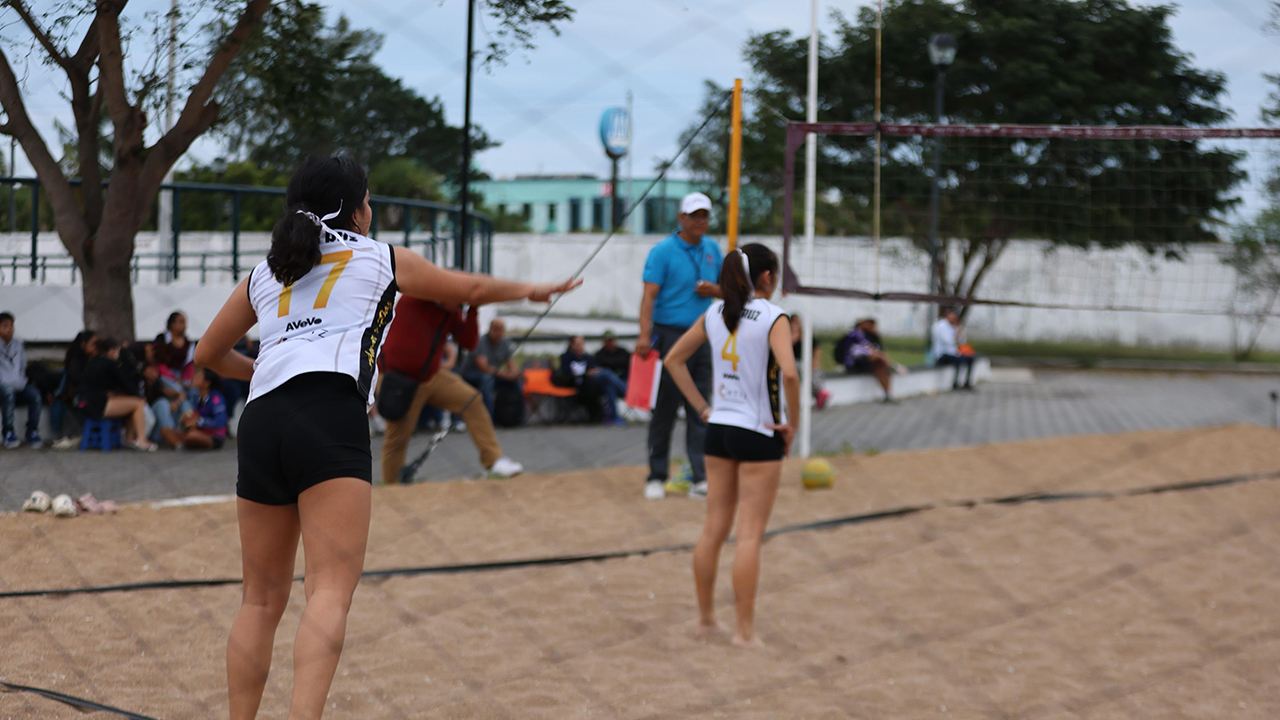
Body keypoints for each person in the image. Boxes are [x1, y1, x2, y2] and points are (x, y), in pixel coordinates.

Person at [193, 155, 579, 720]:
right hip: (329, 412)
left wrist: (266, 370)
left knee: (259, 599)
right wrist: (532, 290)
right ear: (354, 210)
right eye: (368, 199)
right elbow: (470, 287)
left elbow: (206, 353)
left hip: (263, 417)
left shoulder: (264, 272)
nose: (371, 209)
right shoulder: (380, 257)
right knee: (328, 590)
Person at [661, 243, 801, 648]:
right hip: (759, 430)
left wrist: (703, 409)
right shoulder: (773, 316)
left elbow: (672, 360)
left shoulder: (714, 313)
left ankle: (706, 621)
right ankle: (744, 632)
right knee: (749, 535)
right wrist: (792, 424)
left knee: (712, 531)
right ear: (767, 277)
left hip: (719, 428)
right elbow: (790, 374)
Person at [378, 297, 523, 484]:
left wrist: (473, 309)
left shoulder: (452, 310)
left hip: (432, 374)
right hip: (401, 377)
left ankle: (493, 460)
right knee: (397, 437)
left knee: (471, 400)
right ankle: (391, 485)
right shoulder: (416, 297)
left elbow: (468, 342)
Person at [637, 192, 723, 500]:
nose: (700, 221)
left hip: (702, 335)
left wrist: (715, 289)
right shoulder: (663, 251)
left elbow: (728, 290)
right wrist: (644, 336)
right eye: (694, 215)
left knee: (700, 406)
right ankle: (657, 475)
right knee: (665, 408)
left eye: (705, 215)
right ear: (681, 218)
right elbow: (648, 296)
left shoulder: (713, 249)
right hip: (669, 335)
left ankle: (700, 476)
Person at [80, 336, 157, 451]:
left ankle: (129, 440)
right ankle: (141, 441)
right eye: (117, 351)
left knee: (130, 405)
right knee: (137, 403)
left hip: (85, 403)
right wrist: (138, 395)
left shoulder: (94, 361)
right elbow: (125, 383)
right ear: (112, 350)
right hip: (97, 405)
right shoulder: (109, 364)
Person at [460, 318, 523, 420]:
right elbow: (483, 367)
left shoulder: (505, 343)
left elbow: (511, 365)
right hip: (471, 375)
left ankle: (518, 417)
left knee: (516, 381)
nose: (499, 333)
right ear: (490, 329)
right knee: (487, 379)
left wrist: (515, 374)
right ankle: (488, 418)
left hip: (493, 375)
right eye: (496, 329)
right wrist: (506, 375)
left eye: (501, 329)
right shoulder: (481, 341)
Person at [560, 334, 627, 426]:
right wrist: (586, 373)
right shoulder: (566, 358)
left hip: (592, 386)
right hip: (578, 386)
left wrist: (593, 372)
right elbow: (566, 374)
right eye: (578, 344)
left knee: (609, 386)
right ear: (572, 345)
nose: (581, 346)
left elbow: (594, 368)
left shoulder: (587, 357)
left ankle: (614, 417)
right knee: (606, 373)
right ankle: (627, 392)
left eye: (582, 343)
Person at [0, 311, 43, 448]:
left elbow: (22, 366)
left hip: (18, 385)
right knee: (8, 392)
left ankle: (32, 432)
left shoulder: (18, 345)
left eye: (11, 326)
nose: (9, 329)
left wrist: (19, 381)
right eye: (5, 326)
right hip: (2, 387)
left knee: (35, 395)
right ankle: (8, 433)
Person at [160, 367, 228, 450]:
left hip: (213, 435)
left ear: (206, 383)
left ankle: (185, 443)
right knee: (165, 430)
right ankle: (181, 446)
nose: (195, 377)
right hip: (197, 431)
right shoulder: (196, 397)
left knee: (192, 436)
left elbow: (220, 422)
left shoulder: (216, 399)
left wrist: (199, 422)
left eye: (199, 376)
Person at [835, 318, 901, 403]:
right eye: (869, 323)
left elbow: (879, 350)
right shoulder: (853, 335)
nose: (872, 326)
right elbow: (847, 352)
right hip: (855, 362)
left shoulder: (872, 337)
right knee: (877, 358)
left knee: (881, 365)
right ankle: (893, 365)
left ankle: (888, 393)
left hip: (870, 362)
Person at [789, 313, 831, 410]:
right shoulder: (788, 335)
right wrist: (794, 337)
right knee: (803, 369)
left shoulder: (806, 334)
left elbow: (817, 348)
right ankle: (819, 393)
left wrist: (815, 362)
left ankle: (819, 392)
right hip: (794, 362)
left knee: (815, 371)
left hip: (806, 362)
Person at [154, 311, 196, 400]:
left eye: (184, 322)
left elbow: (189, 365)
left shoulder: (189, 344)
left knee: (194, 392)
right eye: (180, 322)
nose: (184, 325)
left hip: (181, 376)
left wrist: (186, 380)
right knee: (178, 390)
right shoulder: (163, 339)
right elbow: (158, 361)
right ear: (172, 324)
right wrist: (174, 378)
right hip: (163, 375)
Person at [932, 307, 975, 390]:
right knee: (959, 360)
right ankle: (955, 383)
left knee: (970, 359)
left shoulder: (952, 326)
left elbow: (962, 341)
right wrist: (956, 337)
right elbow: (948, 341)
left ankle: (967, 382)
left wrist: (959, 330)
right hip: (943, 354)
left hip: (953, 353)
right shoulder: (941, 326)